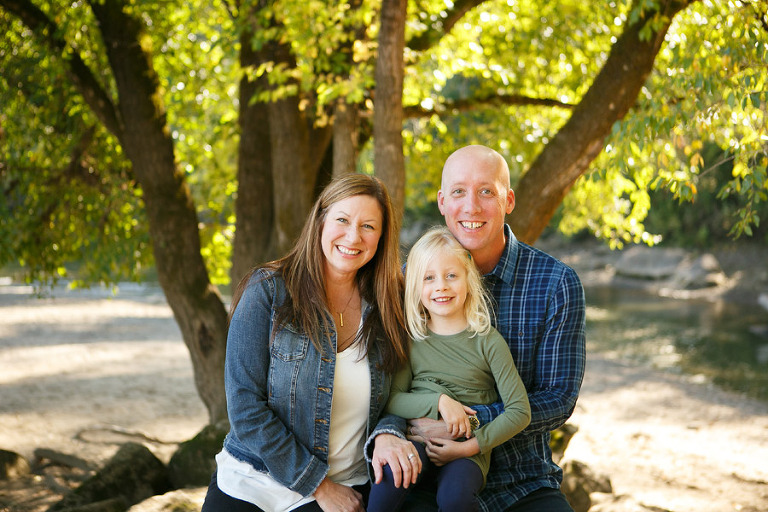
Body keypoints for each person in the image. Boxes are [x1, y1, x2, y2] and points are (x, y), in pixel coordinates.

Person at [201, 174, 422, 512]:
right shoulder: (268, 291)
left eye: (368, 226)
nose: (353, 236)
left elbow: (403, 389)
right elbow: (245, 407)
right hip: (252, 483)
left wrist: (389, 431)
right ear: (321, 220)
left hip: (345, 489)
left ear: (382, 236)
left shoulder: (392, 303)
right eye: (343, 220)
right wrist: (318, 484)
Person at [406, 145, 587, 511]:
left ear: (509, 200)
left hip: (523, 479)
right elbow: (386, 382)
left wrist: (466, 424)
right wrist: (392, 434)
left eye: (486, 191)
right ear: (442, 202)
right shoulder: (415, 283)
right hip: (430, 472)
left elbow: (559, 397)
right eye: (459, 191)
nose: (471, 206)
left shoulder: (555, 283)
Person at [367, 226, 531, 512]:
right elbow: (392, 398)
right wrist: (440, 403)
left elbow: (519, 411)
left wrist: (470, 447)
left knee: (454, 499)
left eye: (451, 276)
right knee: (389, 479)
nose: (441, 286)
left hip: (466, 450)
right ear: (416, 288)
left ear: (468, 280)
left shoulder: (488, 341)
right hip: (417, 438)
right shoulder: (412, 339)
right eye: (429, 278)